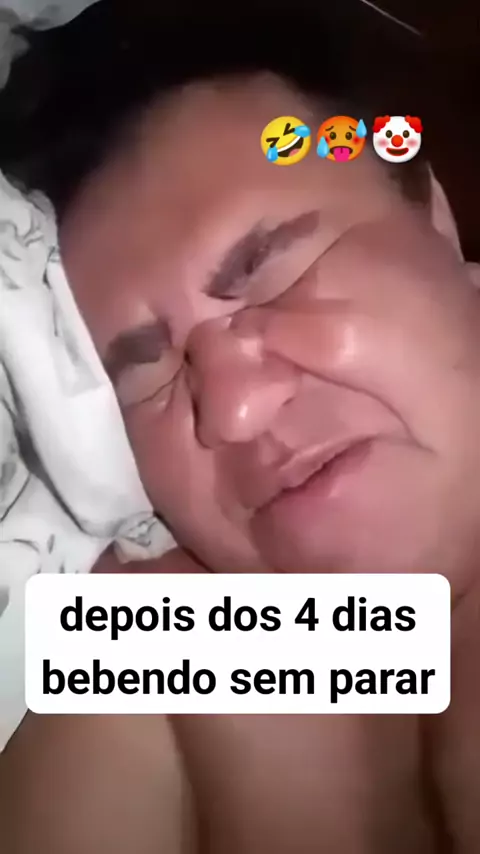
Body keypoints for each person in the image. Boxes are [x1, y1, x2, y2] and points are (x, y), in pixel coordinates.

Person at [1, 3, 480, 852]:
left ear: (434, 217)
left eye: (270, 272)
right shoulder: (155, 644)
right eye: (147, 378)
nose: (231, 409)